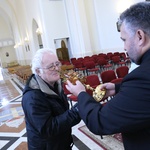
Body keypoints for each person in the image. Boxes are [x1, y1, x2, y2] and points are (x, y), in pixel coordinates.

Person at [66, 2, 150, 150]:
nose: (124, 47)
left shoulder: (141, 77)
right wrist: (118, 87)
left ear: (140, 36)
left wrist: (81, 94)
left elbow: (100, 121)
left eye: (124, 39)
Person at [22, 48, 81, 150]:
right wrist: (77, 110)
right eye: (50, 66)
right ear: (38, 71)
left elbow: (61, 113)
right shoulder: (32, 97)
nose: (56, 68)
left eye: (57, 64)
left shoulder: (56, 84)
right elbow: (48, 129)